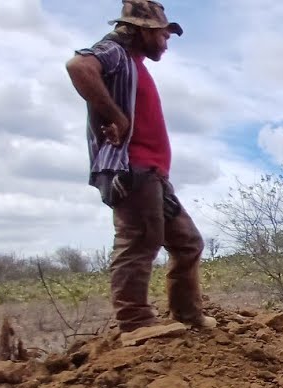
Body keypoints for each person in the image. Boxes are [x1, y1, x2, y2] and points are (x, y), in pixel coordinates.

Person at [66, 1, 215, 339]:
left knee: (188, 242)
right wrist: (116, 116)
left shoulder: (134, 65)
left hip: (153, 173)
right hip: (131, 167)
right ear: (143, 31)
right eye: (163, 35)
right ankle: (134, 323)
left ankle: (188, 314)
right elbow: (78, 66)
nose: (166, 42)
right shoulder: (114, 52)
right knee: (138, 240)